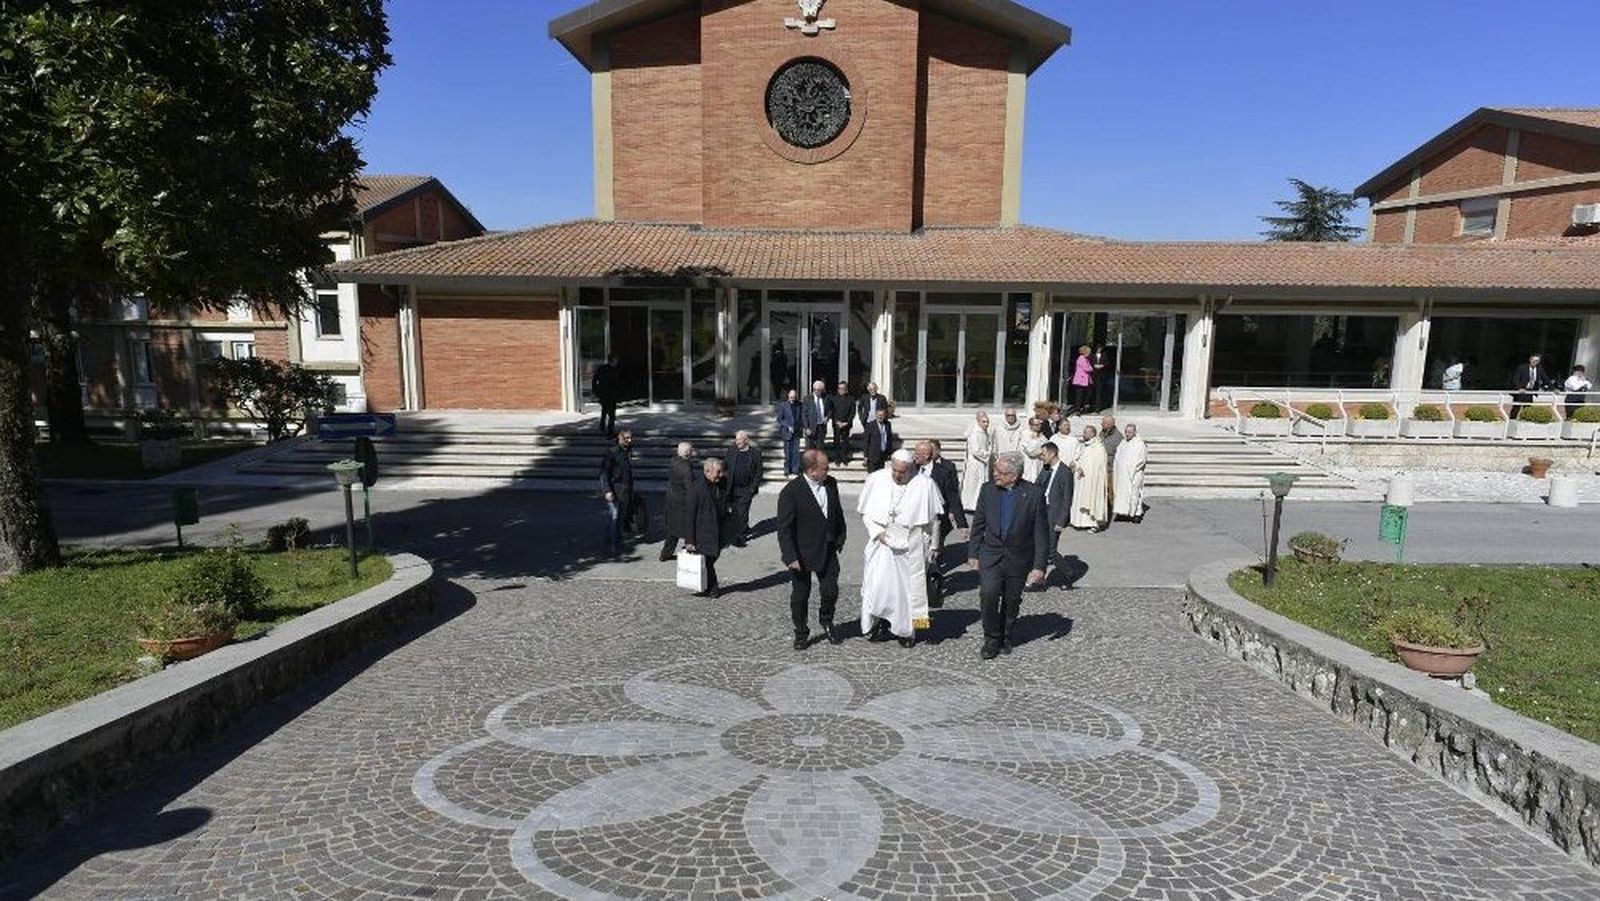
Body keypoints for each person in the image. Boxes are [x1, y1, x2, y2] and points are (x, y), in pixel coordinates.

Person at [859, 449, 944, 648]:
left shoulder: (925, 484)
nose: (897, 475)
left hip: (911, 547)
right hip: (882, 545)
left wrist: (934, 546)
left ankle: (908, 631)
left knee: (909, 593)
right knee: (877, 587)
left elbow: (933, 521)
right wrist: (877, 532)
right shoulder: (876, 479)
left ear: (911, 469)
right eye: (895, 471)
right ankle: (875, 623)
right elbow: (866, 514)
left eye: (902, 472)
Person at [967, 454, 1049, 659]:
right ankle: (991, 638)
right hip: (991, 554)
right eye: (995, 470)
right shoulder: (988, 490)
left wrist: (1039, 567)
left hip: (1019, 557)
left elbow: (1041, 533)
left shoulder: (1033, 495)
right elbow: (978, 523)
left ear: (1014, 476)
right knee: (989, 594)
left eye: (1001, 472)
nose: (995, 474)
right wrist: (973, 552)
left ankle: (1006, 634)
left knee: (1012, 600)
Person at [776, 449, 847, 650]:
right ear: (812, 470)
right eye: (825, 468)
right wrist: (790, 557)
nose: (828, 471)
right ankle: (801, 632)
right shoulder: (791, 492)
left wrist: (840, 537)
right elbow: (784, 529)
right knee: (800, 596)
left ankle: (826, 620)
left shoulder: (831, 483)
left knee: (830, 590)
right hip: (801, 554)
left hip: (828, 548)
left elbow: (837, 511)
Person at [924, 439, 968, 593]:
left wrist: (960, 522)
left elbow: (953, 494)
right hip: (920, 521)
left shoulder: (947, 468)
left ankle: (933, 580)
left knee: (936, 549)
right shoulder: (914, 469)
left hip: (939, 518)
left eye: (930, 450)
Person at [683, 457, 728, 598]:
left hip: (718, 531)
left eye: (721, 472)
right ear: (708, 471)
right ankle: (713, 589)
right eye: (718, 472)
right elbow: (689, 516)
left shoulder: (721, 484)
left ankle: (710, 588)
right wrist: (689, 540)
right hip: (702, 532)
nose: (721, 475)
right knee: (707, 561)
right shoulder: (696, 489)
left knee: (709, 560)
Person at [1035, 441, 1072, 585]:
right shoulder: (1045, 469)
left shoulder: (1065, 472)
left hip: (1054, 514)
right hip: (1042, 511)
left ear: (1052, 454)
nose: (1041, 457)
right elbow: (1037, 486)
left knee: (1050, 550)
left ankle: (1067, 573)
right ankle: (1039, 581)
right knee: (1040, 547)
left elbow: (1067, 499)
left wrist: (1061, 521)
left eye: (1043, 454)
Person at [598, 429, 635, 555]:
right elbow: (604, 473)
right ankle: (612, 545)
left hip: (625, 490)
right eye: (626, 438)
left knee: (620, 518)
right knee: (614, 517)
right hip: (614, 489)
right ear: (620, 438)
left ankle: (618, 542)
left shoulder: (628, 451)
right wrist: (607, 490)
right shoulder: (612, 453)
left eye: (630, 438)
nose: (629, 440)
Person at [726, 430, 762, 545]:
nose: (737, 443)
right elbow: (725, 464)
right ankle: (744, 528)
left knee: (742, 513)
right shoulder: (732, 450)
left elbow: (758, 472)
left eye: (739, 440)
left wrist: (753, 488)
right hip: (732, 488)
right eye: (736, 440)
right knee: (735, 512)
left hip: (746, 489)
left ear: (746, 440)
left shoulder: (755, 453)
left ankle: (739, 537)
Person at [660, 441, 694, 561]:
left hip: (672, 500)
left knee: (672, 531)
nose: (692, 452)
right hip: (683, 503)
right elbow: (689, 487)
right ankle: (690, 556)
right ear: (687, 452)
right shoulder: (687, 467)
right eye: (691, 450)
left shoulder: (673, 461)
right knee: (690, 529)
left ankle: (665, 554)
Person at [1070, 425, 1109, 531]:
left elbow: (1098, 466)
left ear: (1093, 434)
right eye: (1084, 432)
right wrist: (1076, 465)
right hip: (1080, 479)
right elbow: (1077, 458)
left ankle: (1092, 523)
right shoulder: (1083, 445)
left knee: (1091, 499)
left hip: (1091, 480)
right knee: (1079, 498)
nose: (1084, 434)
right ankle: (1078, 522)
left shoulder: (1098, 448)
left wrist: (1086, 471)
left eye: (1087, 432)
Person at [1112, 423, 1148, 523]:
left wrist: (1133, 469)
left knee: (1134, 494)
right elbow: (1118, 456)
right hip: (1122, 474)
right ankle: (1123, 512)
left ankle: (1136, 514)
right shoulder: (1123, 443)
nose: (1127, 434)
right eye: (1126, 432)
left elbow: (1142, 459)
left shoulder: (1139, 444)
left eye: (1130, 432)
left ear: (1135, 432)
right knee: (1122, 493)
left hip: (1135, 474)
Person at [961, 411, 993, 510]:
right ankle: (971, 504)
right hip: (975, 463)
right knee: (974, 484)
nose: (986, 424)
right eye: (983, 422)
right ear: (978, 421)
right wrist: (988, 454)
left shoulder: (984, 432)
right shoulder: (975, 433)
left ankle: (978, 503)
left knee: (980, 482)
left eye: (987, 422)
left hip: (981, 462)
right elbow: (976, 451)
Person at [775, 388, 804, 476]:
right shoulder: (783, 405)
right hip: (787, 432)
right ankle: (787, 469)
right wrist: (788, 426)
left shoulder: (800, 405)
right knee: (787, 452)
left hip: (797, 431)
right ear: (788, 396)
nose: (793, 398)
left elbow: (802, 417)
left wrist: (801, 426)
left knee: (796, 452)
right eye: (791, 396)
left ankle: (795, 469)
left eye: (794, 396)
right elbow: (779, 419)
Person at [1511, 354, 1549, 418]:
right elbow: (1515, 379)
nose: (1535, 362)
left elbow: (1546, 379)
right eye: (1533, 360)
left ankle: (1525, 423)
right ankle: (1511, 424)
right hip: (1521, 392)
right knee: (1516, 409)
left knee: (1528, 410)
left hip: (1530, 392)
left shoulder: (1539, 369)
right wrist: (1519, 388)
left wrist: (1553, 388)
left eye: (1537, 361)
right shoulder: (1522, 368)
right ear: (1530, 360)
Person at [827, 380, 857, 465]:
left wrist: (847, 422)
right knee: (836, 441)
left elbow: (852, 412)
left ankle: (844, 457)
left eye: (843, 388)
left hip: (846, 424)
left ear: (846, 389)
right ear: (838, 389)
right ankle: (837, 458)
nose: (841, 390)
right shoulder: (833, 398)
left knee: (845, 441)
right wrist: (836, 422)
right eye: (840, 388)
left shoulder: (851, 398)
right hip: (836, 424)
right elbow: (831, 411)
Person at [592, 354, 619, 436]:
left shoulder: (601, 368)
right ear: (613, 361)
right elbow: (615, 384)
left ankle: (602, 426)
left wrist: (596, 391)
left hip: (602, 394)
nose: (617, 362)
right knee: (611, 414)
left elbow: (594, 379)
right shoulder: (613, 371)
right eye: (616, 360)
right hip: (610, 395)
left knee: (604, 410)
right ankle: (610, 431)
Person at [862, 405, 896, 472]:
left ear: (885, 415)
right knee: (872, 476)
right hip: (873, 456)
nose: (880, 417)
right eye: (879, 415)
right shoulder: (870, 425)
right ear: (876, 415)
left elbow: (889, 439)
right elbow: (866, 442)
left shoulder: (887, 424)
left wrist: (889, 452)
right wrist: (866, 456)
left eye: (882, 415)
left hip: (883, 455)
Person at [805, 380, 829, 454]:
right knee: (810, 448)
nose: (818, 392)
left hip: (821, 426)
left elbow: (830, 409)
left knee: (820, 448)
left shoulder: (826, 398)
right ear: (813, 389)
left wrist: (827, 417)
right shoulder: (808, 398)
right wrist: (806, 427)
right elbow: (804, 415)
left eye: (820, 390)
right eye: (816, 390)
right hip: (811, 427)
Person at [1020, 417, 1047, 482]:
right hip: (1029, 466)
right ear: (1031, 425)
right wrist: (1036, 441)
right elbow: (1030, 453)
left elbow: (1047, 447)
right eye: (1037, 425)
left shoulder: (1042, 435)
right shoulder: (1025, 434)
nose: (1039, 426)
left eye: (1040, 424)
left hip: (1039, 465)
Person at [1069, 345, 1094, 414]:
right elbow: (1087, 368)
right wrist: (1091, 368)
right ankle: (1077, 409)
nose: (1090, 353)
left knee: (1084, 394)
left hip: (1084, 380)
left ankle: (1081, 408)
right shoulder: (1081, 358)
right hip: (1080, 380)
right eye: (1089, 351)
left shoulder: (1086, 359)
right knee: (1079, 396)